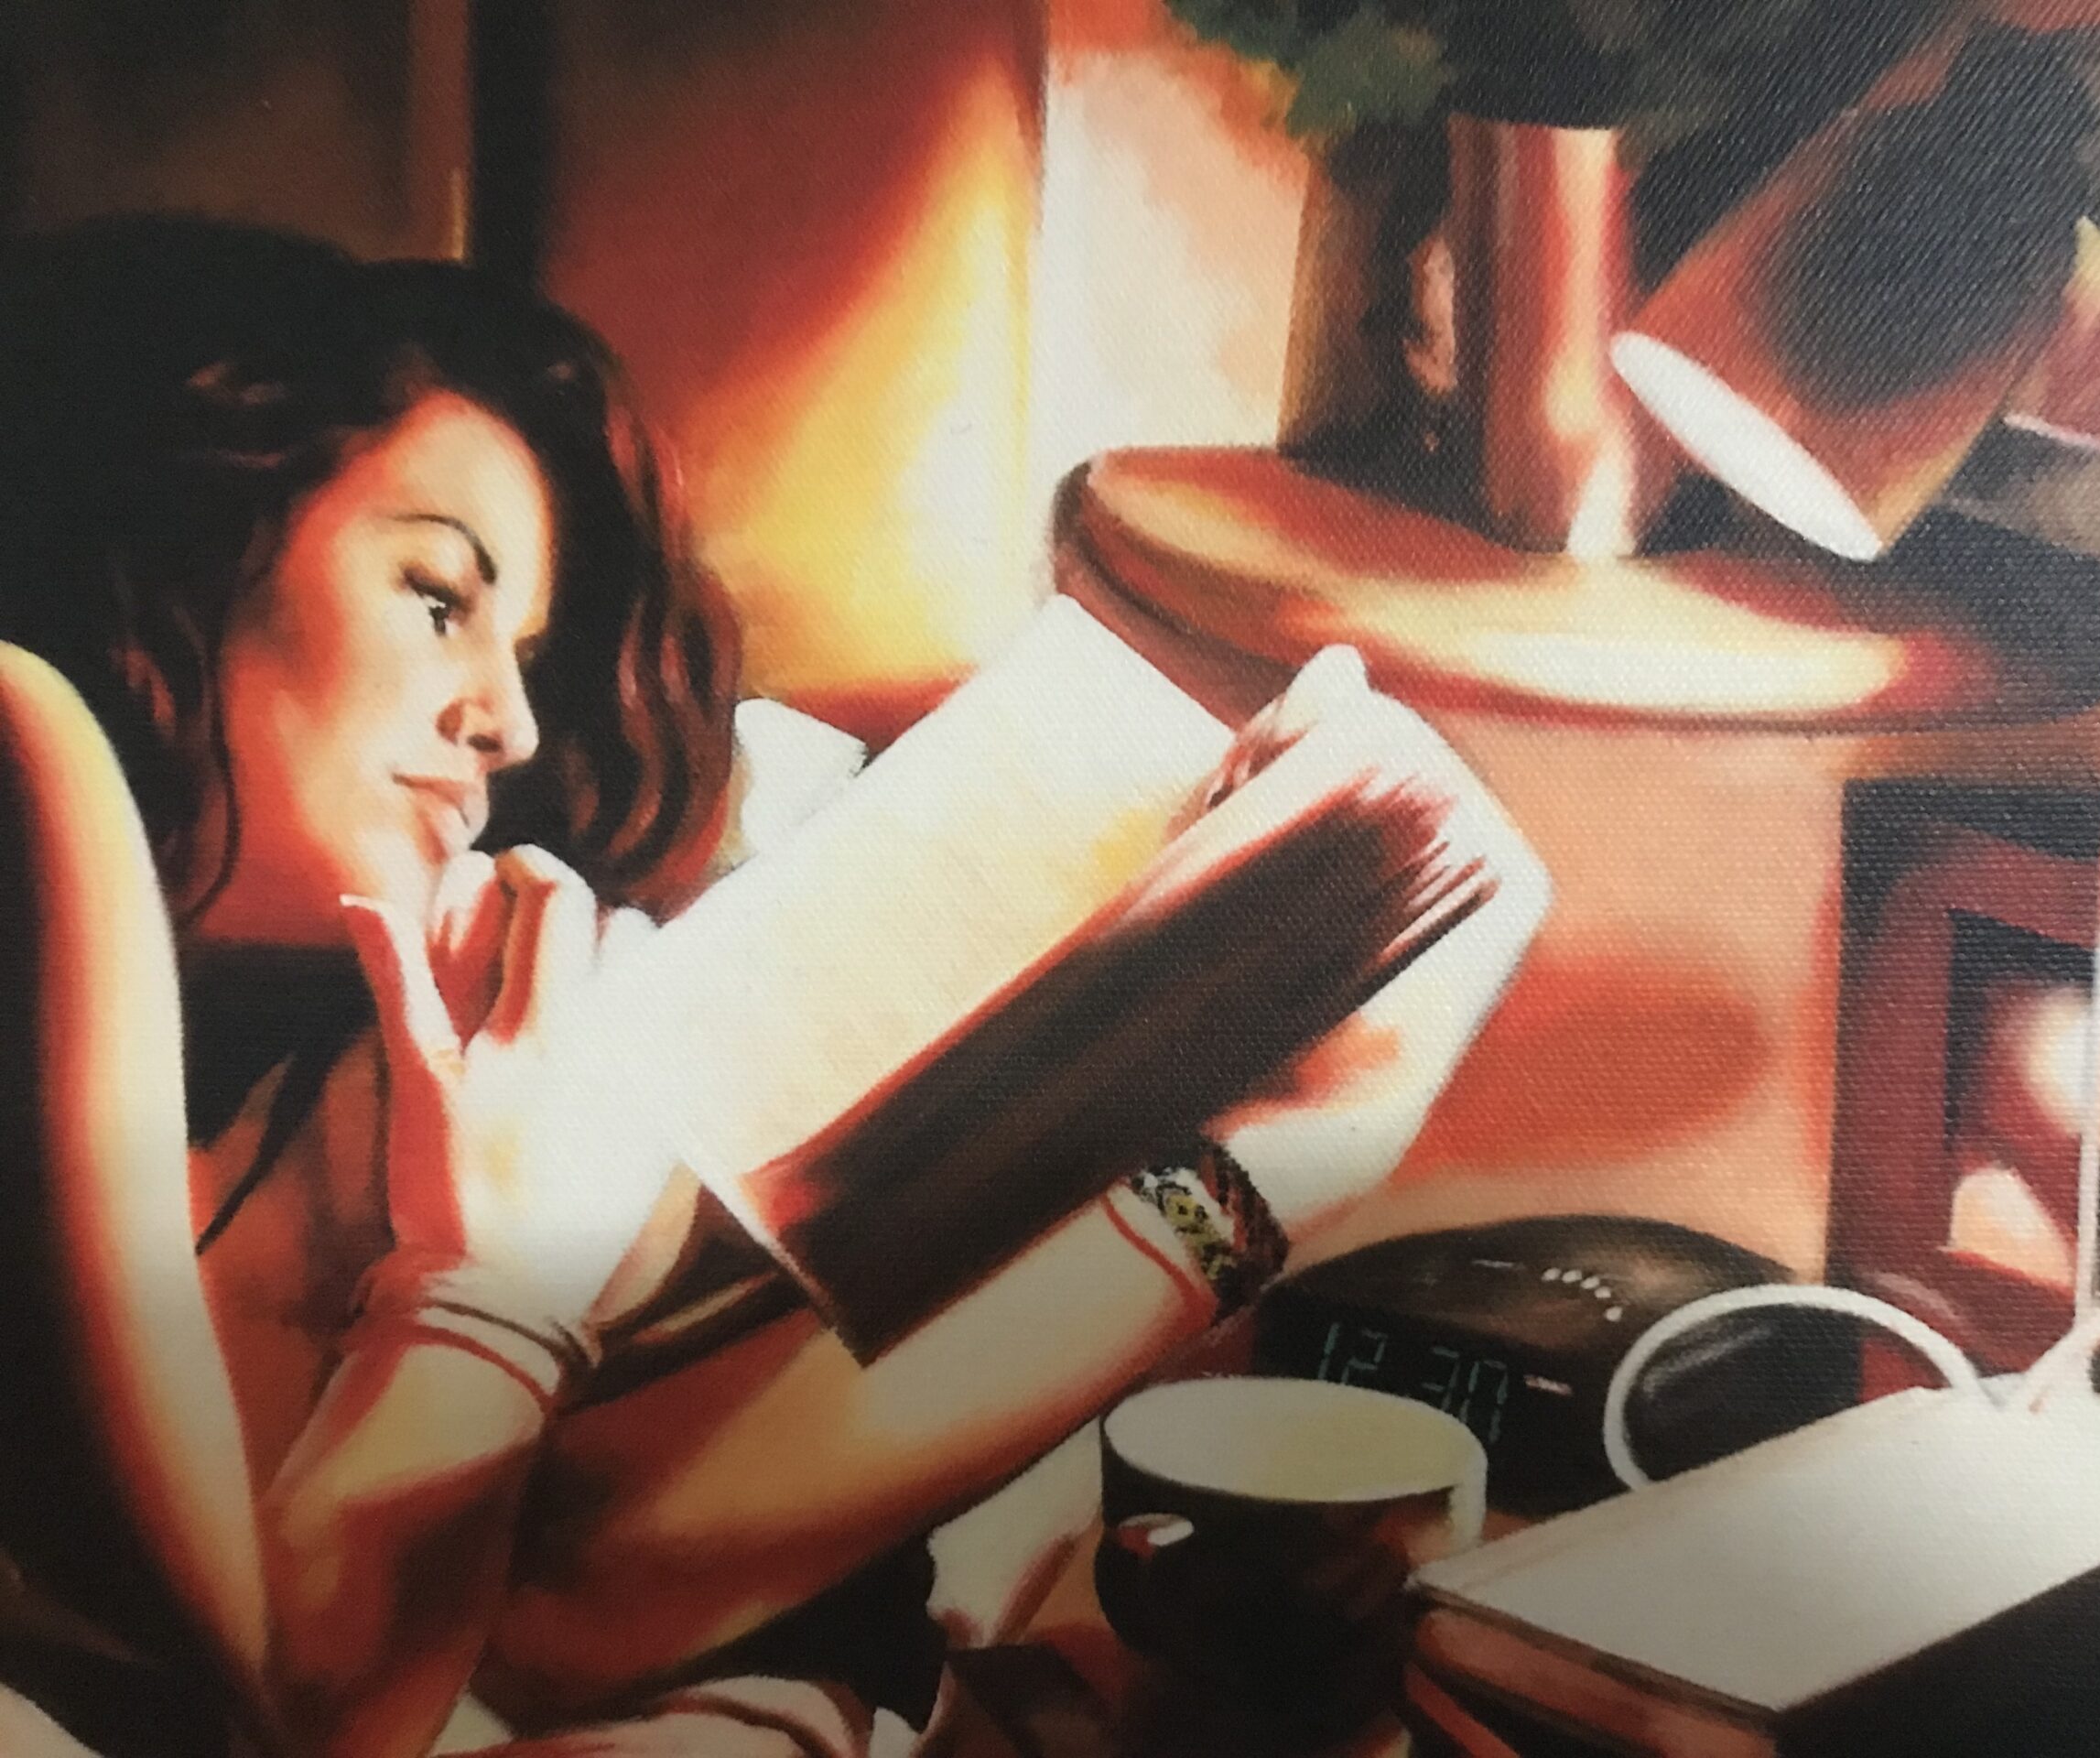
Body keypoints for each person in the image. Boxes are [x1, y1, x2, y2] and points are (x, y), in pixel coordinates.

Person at [0, 216, 1543, 1758]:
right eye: (438, 595)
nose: (508, 726)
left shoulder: (328, 1072)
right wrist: (489, 1283)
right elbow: (305, 1709)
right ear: (184, 534)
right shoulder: (33, 737)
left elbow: (557, 1619)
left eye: (524, 652)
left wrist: (1291, 1147)